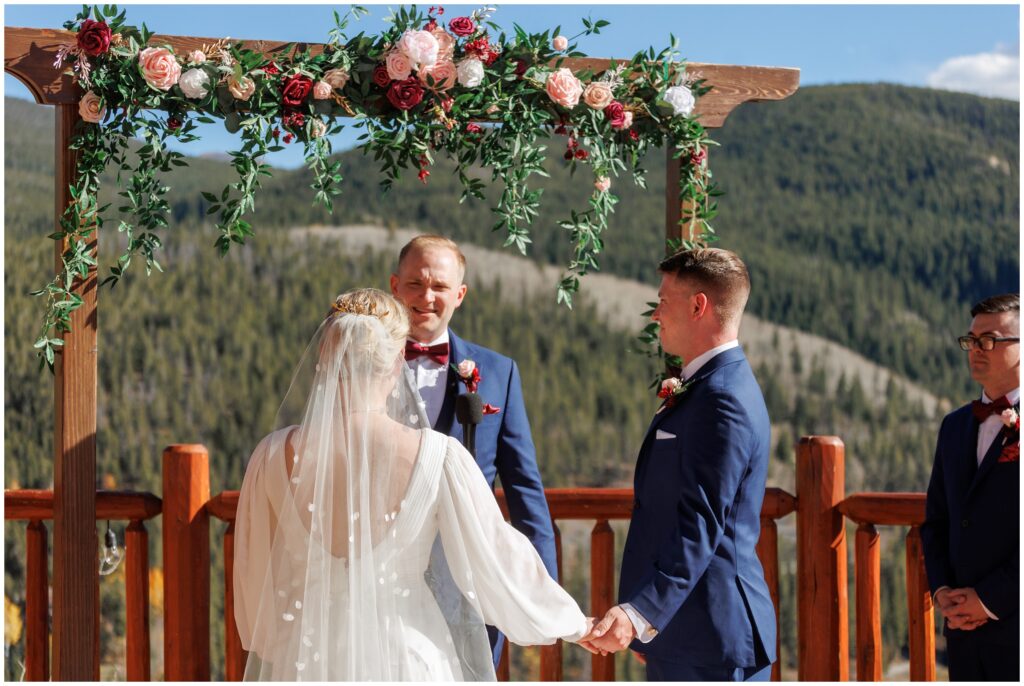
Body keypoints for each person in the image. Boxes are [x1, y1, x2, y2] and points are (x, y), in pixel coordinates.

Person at [233, 289, 592, 680]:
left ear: (325, 361)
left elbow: (257, 597)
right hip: (406, 656)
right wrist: (573, 623)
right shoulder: (439, 455)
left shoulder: (269, 456)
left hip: (306, 658)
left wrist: (285, 642)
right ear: (396, 364)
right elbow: (497, 559)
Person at [584, 247, 776, 681]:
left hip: (710, 637)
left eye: (663, 302)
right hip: (683, 631)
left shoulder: (723, 397)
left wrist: (640, 614)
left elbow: (701, 522)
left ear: (698, 306)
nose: (656, 315)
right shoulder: (708, 385)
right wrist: (651, 623)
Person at [389, 235, 558, 666]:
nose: (426, 297)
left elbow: (525, 489)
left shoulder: (499, 372)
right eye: (415, 284)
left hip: (471, 583)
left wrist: (541, 594)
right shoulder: (363, 365)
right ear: (394, 286)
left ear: (459, 295)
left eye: (440, 287)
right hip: (385, 583)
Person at [921, 293, 1019, 681]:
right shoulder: (954, 425)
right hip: (961, 634)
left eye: (990, 340)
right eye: (972, 340)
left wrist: (989, 600)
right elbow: (936, 521)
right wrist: (943, 590)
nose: (976, 349)